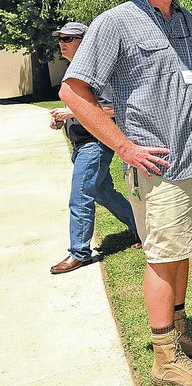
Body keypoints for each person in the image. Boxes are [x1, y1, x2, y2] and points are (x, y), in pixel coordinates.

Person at [59, 0, 192, 386]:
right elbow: (72, 91)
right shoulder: (116, 22)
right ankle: (164, 359)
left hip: (191, 159)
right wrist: (124, 146)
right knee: (161, 258)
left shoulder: (187, 21)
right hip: (155, 167)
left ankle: (179, 335)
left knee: (181, 251)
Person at [49, 22, 140, 274]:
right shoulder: (76, 71)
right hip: (81, 145)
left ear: (84, 41)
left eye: (68, 38)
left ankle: (79, 253)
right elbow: (80, 110)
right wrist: (63, 119)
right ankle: (142, 228)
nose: (62, 43)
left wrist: (70, 112)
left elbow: (113, 108)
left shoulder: (99, 73)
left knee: (80, 199)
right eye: (61, 38)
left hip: (94, 145)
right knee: (103, 193)